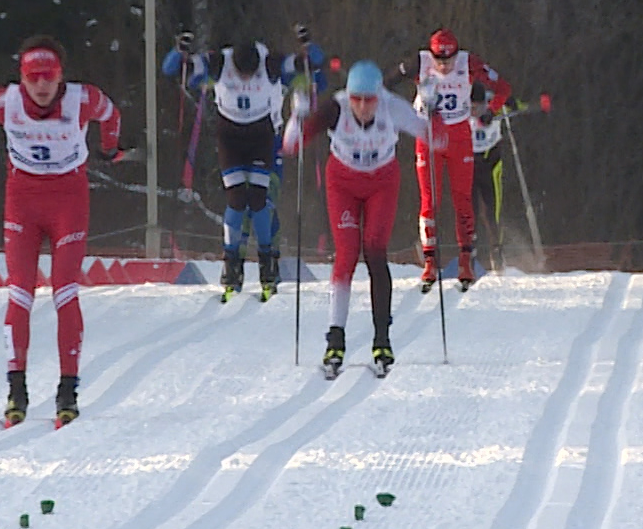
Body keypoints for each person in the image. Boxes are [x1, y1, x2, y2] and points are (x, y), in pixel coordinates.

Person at [0, 36, 126, 429]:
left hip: (68, 200)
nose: (41, 86)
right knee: (19, 292)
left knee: (64, 291)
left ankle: (67, 390)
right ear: (21, 78)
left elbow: (112, 116)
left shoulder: (82, 100)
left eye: (49, 77)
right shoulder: (2, 102)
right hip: (22, 199)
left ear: (61, 78)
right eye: (33, 78)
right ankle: (16, 389)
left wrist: (110, 148)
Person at [283, 59, 439, 379]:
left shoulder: (391, 108)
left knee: (375, 251)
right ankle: (335, 340)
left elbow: (436, 139)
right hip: (343, 184)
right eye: (358, 99)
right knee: (347, 255)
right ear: (349, 95)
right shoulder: (335, 110)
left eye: (370, 100)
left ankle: (382, 340)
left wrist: (429, 108)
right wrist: (296, 117)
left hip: (382, 182)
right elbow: (291, 145)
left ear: (379, 96)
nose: (364, 107)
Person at [162, 24, 323, 300]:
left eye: (251, 74)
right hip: (231, 137)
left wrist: (307, 48)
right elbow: (173, 70)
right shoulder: (219, 61)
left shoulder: (270, 63)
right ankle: (231, 264)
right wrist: (180, 52)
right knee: (236, 201)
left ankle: (267, 263)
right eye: (241, 74)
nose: (246, 78)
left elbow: (312, 66)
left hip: (261, 135)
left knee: (259, 201)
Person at [388, 28, 511, 291]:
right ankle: (430, 262)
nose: (444, 66)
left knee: (462, 198)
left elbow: (503, 88)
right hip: (428, 135)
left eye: (449, 60)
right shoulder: (418, 63)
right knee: (429, 199)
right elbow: (387, 83)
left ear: (457, 54)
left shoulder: (469, 63)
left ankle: (466, 259)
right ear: (431, 54)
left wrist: (492, 109)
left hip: (458, 135)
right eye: (439, 60)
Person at [469, 84, 506, 273]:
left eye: (478, 107)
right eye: (472, 107)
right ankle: (470, 254)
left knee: (492, 212)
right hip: (469, 164)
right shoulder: (460, 108)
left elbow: (509, 97)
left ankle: (497, 252)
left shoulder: (493, 103)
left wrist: (491, 112)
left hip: (491, 163)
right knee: (470, 213)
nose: (475, 111)